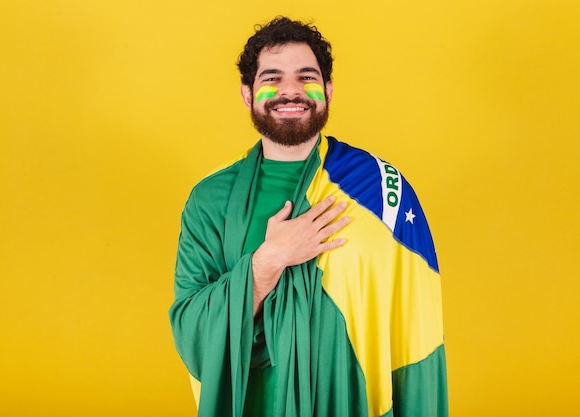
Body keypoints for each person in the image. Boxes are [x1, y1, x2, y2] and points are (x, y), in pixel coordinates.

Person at [169, 16, 448, 417]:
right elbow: (191, 328)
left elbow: (413, 325)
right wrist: (269, 260)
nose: (290, 91)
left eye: (306, 77)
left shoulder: (383, 191)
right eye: (272, 78)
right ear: (247, 95)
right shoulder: (210, 200)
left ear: (328, 91)